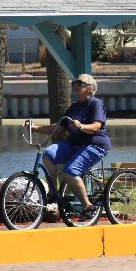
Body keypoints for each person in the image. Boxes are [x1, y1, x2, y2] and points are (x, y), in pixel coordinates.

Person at [31, 73, 111, 220]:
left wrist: (82, 126)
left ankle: (87, 206)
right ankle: (53, 193)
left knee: (70, 171)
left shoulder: (95, 103)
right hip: (73, 144)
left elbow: (96, 126)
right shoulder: (74, 107)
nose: (75, 86)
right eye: (74, 83)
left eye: (79, 83)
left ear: (89, 88)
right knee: (49, 153)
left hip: (94, 145)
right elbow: (58, 127)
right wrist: (36, 129)